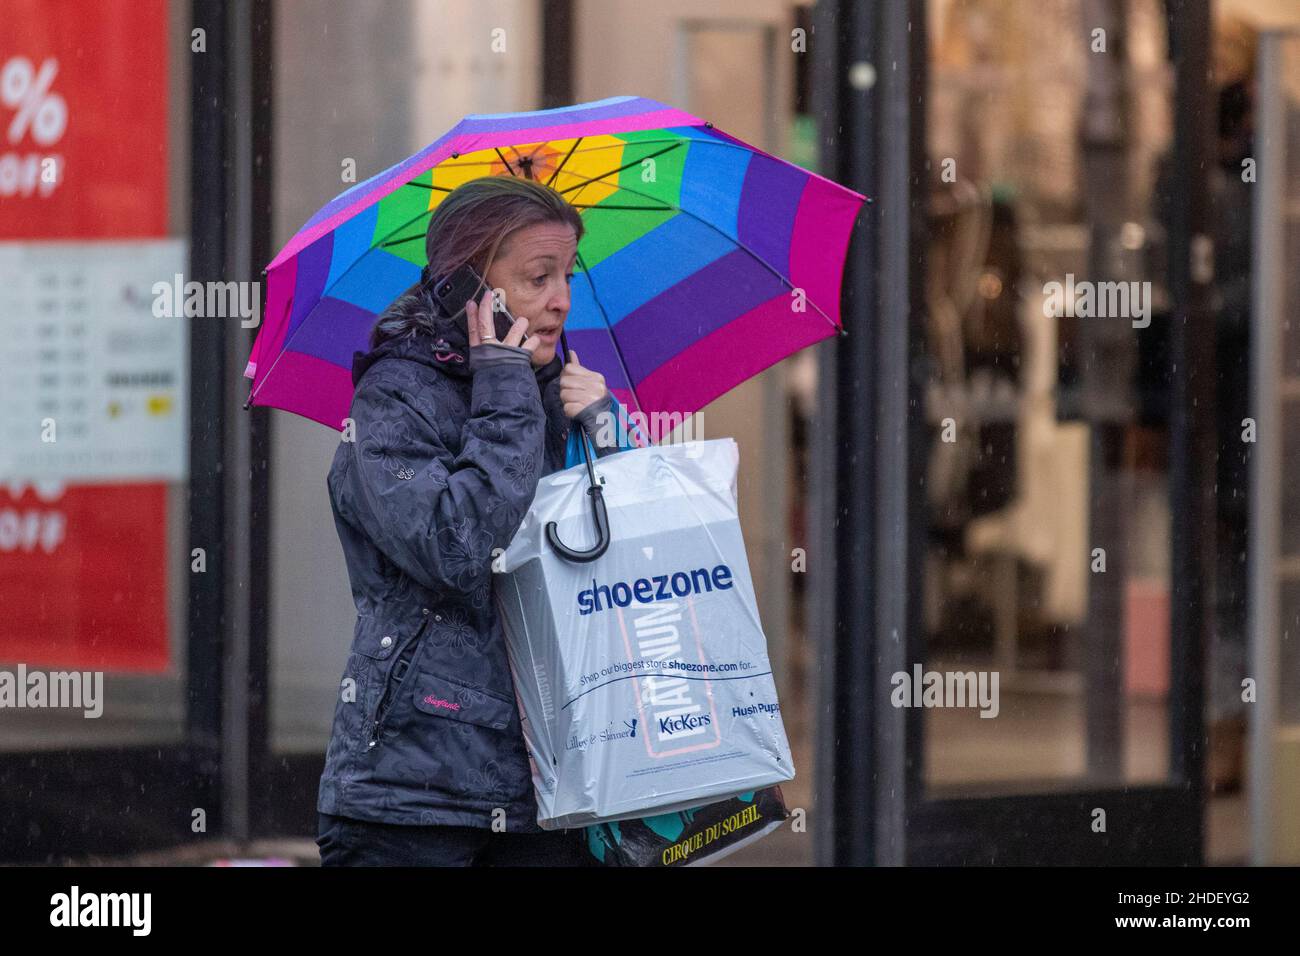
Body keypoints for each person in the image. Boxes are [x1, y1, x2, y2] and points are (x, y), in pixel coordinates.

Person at [316, 176, 619, 865]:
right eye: (539, 277)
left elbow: (616, 569)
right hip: (414, 802)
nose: (561, 300)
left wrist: (605, 434)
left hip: (554, 794)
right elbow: (458, 546)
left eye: (566, 275)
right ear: (464, 289)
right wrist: (508, 388)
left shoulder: (561, 395)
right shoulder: (394, 399)